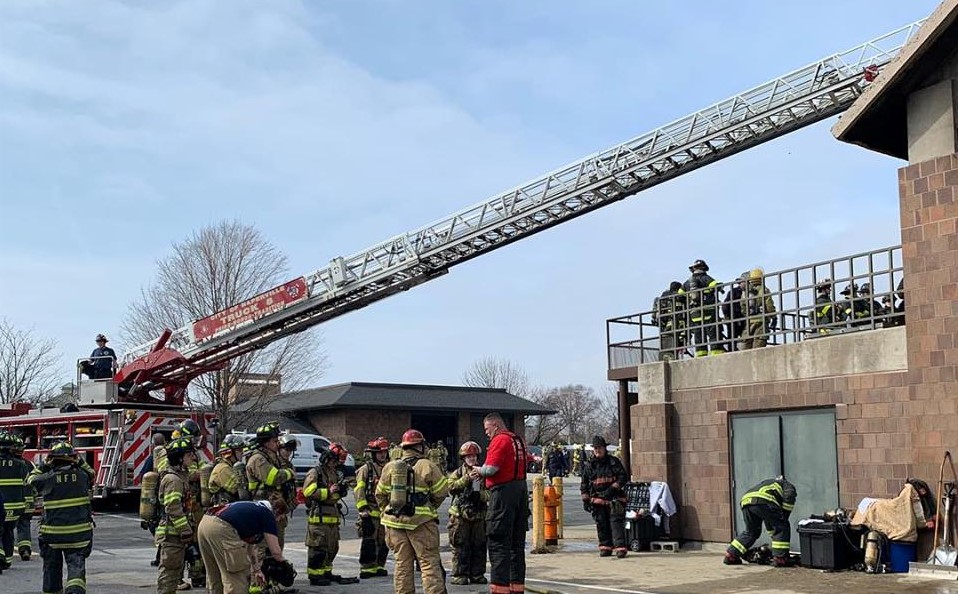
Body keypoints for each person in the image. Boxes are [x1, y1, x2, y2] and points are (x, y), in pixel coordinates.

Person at [375, 428, 449, 594]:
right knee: (428, 563)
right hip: (420, 523)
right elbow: (442, 491)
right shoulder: (427, 465)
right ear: (420, 446)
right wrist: (430, 506)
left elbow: (379, 494)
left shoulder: (389, 467)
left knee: (402, 564)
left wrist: (386, 511)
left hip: (394, 523)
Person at [468, 412, 529, 594]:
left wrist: (478, 470)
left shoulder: (500, 440)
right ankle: (516, 587)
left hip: (503, 494)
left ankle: (499, 589)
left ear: (495, 425)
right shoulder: (517, 440)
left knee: (498, 543)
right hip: (520, 492)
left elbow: (491, 468)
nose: (486, 433)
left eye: (487, 429)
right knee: (516, 546)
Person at [28, 441, 94, 594]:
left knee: (51, 568)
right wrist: (79, 461)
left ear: (52, 458)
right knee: (76, 567)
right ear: (73, 458)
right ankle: (75, 590)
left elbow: (31, 479)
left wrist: (45, 465)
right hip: (79, 534)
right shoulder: (83, 476)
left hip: (52, 535)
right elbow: (92, 473)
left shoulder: (46, 479)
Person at [197, 500, 288, 594]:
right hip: (221, 528)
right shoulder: (267, 514)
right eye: (281, 517)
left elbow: (250, 547)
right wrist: (284, 564)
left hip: (205, 523)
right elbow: (276, 552)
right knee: (236, 579)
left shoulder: (251, 511)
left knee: (215, 577)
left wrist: (257, 570)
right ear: (277, 511)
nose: (279, 520)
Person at [303, 442, 358, 586]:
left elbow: (334, 496)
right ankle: (315, 575)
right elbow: (307, 492)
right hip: (318, 518)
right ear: (327, 459)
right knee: (318, 548)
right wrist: (328, 491)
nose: (336, 464)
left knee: (332, 547)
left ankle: (326, 572)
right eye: (335, 461)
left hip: (332, 517)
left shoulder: (333, 473)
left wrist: (341, 491)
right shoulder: (315, 472)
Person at [155, 437, 198, 594]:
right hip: (171, 535)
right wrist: (185, 530)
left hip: (175, 535)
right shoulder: (173, 480)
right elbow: (173, 508)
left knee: (174, 571)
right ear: (179, 458)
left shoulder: (179, 477)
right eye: (188, 455)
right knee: (169, 573)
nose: (192, 458)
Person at [724, 476, 797, 567]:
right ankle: (780, 558)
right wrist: (784, 517)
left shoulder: (767, 483)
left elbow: (769, 520)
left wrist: (774, 534)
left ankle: (731, 554)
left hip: (746, 501)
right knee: (782, 527)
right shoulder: (787, 485)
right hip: (764, 500)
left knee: (751, 532)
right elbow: (789, 496)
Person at [580, 435, 628, 558]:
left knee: (616, 524)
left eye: (600, 448)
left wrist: (612, 489)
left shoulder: (613, 462)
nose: (598, 450)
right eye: (595, 448)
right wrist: (586, 500)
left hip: (614, 499)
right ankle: (605, 547)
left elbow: (623, 477)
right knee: (601, 525)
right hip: (597, 500)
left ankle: (620, 548)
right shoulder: (590, 466)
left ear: (605, 448)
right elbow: (584, 484)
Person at [448, 441, 489, 585]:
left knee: (479, 546)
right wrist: (467, 479)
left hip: (479, 515)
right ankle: (460, 575)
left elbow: (491, 493)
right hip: (460, 516)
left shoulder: (484, 472)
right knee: (460, 546)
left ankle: (477, 574)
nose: (472, 459)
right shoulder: (458, 473)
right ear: (463, 458)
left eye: (474, 456)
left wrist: (481, 496)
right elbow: (451, 487)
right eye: (468, 456)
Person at [354, 437, 390, 580]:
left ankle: (380, 566)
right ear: (373, 454)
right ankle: (367, 568)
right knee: (369, 541)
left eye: (384, 452)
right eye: (379, 452)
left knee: (384, 541)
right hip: (370, 512)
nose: (382, 455)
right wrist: (363, 511)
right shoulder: (366, 470)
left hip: (386, 514)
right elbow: (359, 490)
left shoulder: (390, 468)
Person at [679, 259, 725, 357]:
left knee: (698, 333)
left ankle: (700, 354)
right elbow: (715, 285)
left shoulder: (687, 282)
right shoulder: (706, 278)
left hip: (694, 313)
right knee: (713, 332)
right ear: (704, 268)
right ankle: (716, 353)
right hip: (708, 311)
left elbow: (680, 293)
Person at [0, 431, 30, 570]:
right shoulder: (22, 464)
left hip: (1, 506)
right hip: (16, 507)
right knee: (8, 531)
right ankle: (7, 559)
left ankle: (1, 557)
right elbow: (27, 485)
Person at [740, 268, 777, 350]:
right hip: (762, 321)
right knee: (759, 345)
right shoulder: (764, 290)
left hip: (749, 321)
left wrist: (747, 315)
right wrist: (774, 317)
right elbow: (769, 305)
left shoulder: (745, 292)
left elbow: (742, 306)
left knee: (746, 343)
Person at [12, 435, 35, 561]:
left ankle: (4, 553)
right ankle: (25, 549)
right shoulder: (28, 464)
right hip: (27, 502)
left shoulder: (9, 464)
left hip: (11, 502)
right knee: (24, 525)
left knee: (6, 528)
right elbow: (35, 483)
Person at [208, 435, 246, 506]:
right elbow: (239, 490)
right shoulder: (223, 469)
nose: (242, 452)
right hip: (223, 510)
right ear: (230, 453)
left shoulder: (228, 466)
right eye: (239, 450)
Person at [653, 281, 686, 360]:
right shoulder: (681, 296)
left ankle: (667, 357)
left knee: (667, 344)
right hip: (679, 324)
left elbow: (656, 312)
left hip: (665, 325)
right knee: (679, 340)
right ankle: (674, 355)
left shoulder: (663, 296)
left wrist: (656, 319)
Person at [721, 275, 747, 352]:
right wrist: (727, 316)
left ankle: (744, 349)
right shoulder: (733, 292)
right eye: (741, 282)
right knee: (732, 336)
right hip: (734, 317)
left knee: (746, 336)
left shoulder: (749, 292)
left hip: (744, 318)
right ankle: (732, 350)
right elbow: (725, 304)